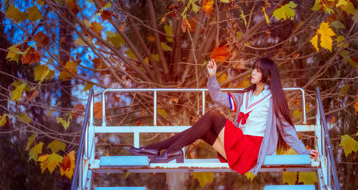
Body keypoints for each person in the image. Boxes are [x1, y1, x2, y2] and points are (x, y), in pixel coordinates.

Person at [130, 57, 318, 175]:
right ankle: (156, 149)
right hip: (240, 143)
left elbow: (286, 129)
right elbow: (218, 97)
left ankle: (166, 151)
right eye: (254, 68)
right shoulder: (245, 96)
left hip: (251, 149)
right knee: (202, 130)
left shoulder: (273, 101)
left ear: (268, 77)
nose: (253, 72)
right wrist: (212, 76)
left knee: (212, 116)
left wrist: (303, 151)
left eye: (258, 70)